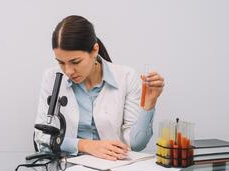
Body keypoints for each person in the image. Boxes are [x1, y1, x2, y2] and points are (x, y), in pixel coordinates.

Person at [34, 15, 164, 161]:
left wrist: (149, 105)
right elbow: (41, 136)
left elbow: (136, 144)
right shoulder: (52, 78)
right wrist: (85, 145)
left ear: (95, 50)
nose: (68, 71)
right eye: (61, 63)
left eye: (75, 62)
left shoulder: (126, 77)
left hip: (112, 168)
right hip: (67, 169)